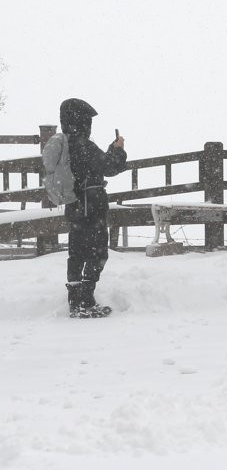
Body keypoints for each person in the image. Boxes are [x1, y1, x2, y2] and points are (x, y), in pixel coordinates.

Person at [59, 98, 127, 318]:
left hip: (75, 207)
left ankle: (74, 300)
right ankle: (86, 300)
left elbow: (95, 163)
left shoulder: (63, 145)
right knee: (97, 252)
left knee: (76, 252)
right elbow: (109, 166)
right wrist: (118, 151)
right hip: (92, 208)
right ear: (82, 121)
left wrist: (108, 151)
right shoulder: (83, 145)